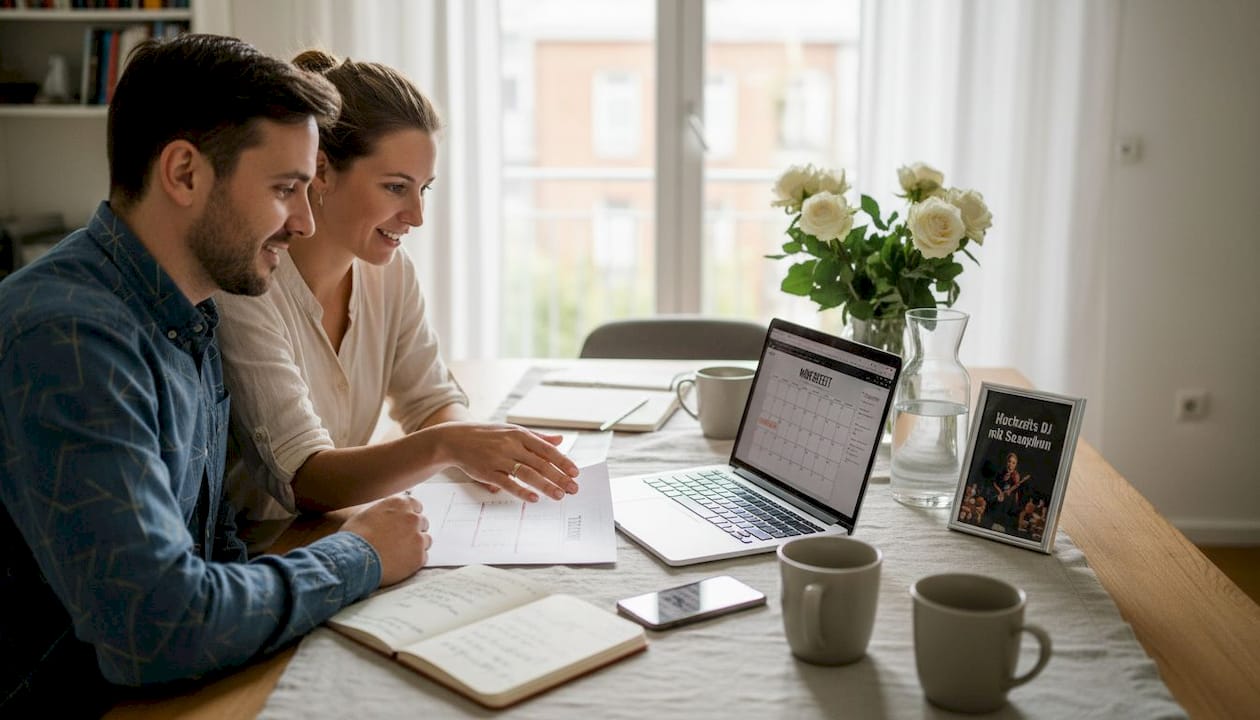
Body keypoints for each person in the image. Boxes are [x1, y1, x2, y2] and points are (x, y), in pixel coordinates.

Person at [0, 35, 432, 716]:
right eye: (286, 188)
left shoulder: (187, 307)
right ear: (184, 173)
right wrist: (359, 556)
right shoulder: (69, 336)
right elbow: (158, 628)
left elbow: (216, 550)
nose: (305, 221)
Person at [215, 50, 580, 551]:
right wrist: (450, 445)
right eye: (395, 188)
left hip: (337, 537)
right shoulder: (247, 286)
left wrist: (479, 450)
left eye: (423, 189)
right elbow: (304, 478)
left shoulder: (390, 273)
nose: (416, 215)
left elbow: (431, 400)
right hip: (265, 556)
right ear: (321, 171)